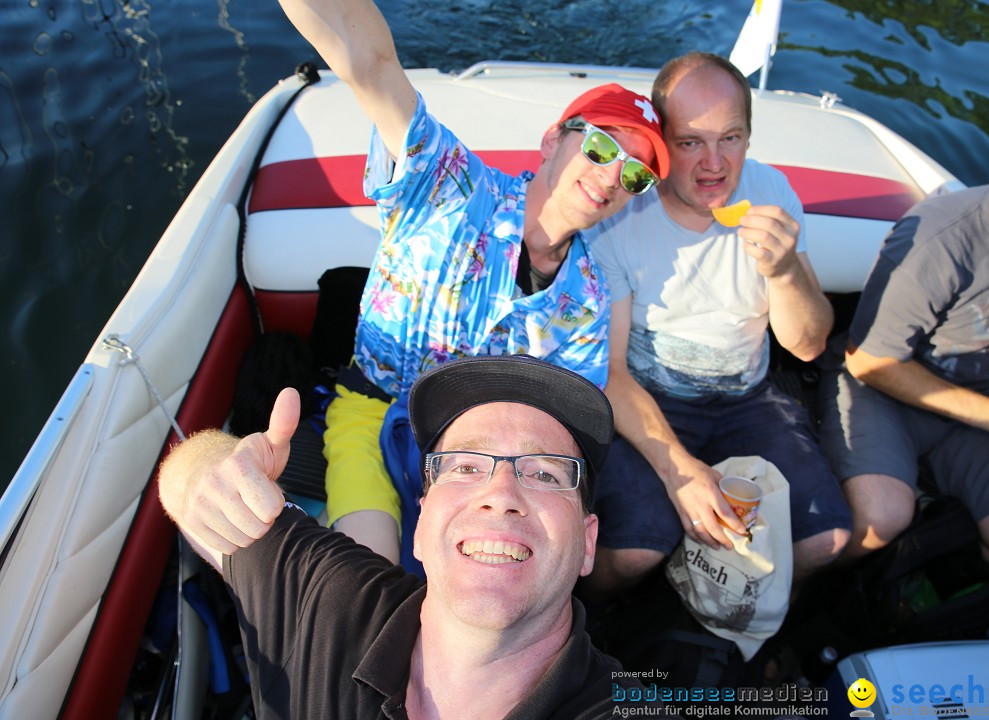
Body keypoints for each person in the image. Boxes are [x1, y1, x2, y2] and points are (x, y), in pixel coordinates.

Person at [276, 0, 669, 564]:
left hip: (484, 462)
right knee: (374, 580)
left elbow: (565, 426)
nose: (611, 176)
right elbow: (369, 61)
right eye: (602, 146)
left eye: (635, 174)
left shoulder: (588, 299)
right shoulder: (448, 185)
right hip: (371, 412)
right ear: (554, 139)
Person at [158, 354, 665, 718]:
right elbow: (184, 480)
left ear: (588, 543)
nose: (501, 493)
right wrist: (214, 472)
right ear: (420, 525)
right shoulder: (334, 601)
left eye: (545, 474)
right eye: (466, 466)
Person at [580, 52, 852, 598]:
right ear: (661, 141)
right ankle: (595, 622)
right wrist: (682, 471)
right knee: (635, 551)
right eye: (690, 143)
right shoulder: (621, 217)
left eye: (731, 138)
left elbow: (807, 344)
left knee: (830, 541)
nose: (714, 164)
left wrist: (784, 269)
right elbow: (609, 372)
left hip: (749, 397)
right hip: (648, 397)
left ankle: (738, 624)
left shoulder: (771, 192)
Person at [816, 93, 989, 581]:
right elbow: (870, 361)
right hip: (885, 391)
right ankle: (796, 593)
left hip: (983, 408)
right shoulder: (942, 236)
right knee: (879, 517)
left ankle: (921, 572)